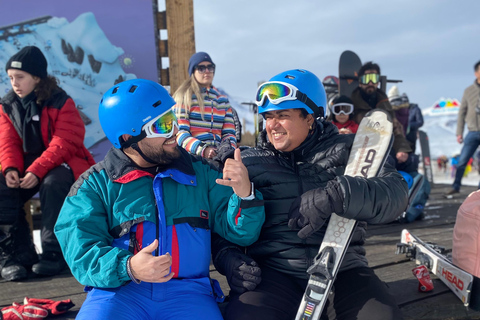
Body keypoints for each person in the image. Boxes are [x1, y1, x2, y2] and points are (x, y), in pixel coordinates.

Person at [54, 79, 265, 320]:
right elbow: (81, 252)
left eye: (173, 119)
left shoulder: (202, 173)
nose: (176, 132)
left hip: (189, 293)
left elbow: (242, 233)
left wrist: (244, 193)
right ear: (127, 138)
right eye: (163, 125)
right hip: (120, 292)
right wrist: (128, 267)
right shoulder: (95, 185)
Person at [212, 69, 408, 320]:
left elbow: (397, 194)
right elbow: (221, 225)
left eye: (283, 115)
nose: (272, 125)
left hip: (343, 270)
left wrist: (337, 194)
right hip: (276, 273)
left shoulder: (350, 152)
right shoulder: (250, 162)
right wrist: (229, 257)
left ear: (310, 118)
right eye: (268, 116)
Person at [0, 46, 95, 281]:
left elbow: (65, 142)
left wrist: (37, 170)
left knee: (53, 184)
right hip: (27, 166)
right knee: (2, 186)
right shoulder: (7, 105)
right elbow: (7, 142)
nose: (14, 83)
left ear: (36, 77)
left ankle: (55, 253)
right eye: (11, 78)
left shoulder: (61, 101)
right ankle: (17, 254)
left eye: (20, 77)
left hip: (61, 164)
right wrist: (11, 168)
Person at [173, 52, 237, 159]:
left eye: (210, 67)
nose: (207, 71)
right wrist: (203, 149)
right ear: (193, 71)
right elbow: (179, 133)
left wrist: (228, 151)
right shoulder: (184, 97)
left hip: (219, 156)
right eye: (201, 68)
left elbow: (229, 133)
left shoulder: (222, 100)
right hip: (192, 157)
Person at [351, 61, 412, 163]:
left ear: (378, 82)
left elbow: (395, 128)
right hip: (359, 149)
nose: (370, 83)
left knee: (409, 162)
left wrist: (402, 149)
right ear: (360, 82)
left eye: (374, 78)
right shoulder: (352, 103)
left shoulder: (384, 103)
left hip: (382, 147)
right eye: (366, 79)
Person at [444, 61, 480, 196]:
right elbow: (462, 112)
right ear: (476, 73)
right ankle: (456, 186)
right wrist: (459, 132)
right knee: (462, 160)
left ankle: (479, 190)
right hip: (472, 131)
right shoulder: (468, 91)